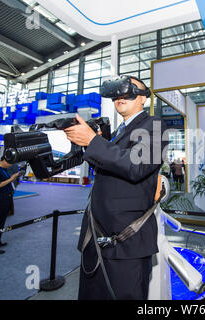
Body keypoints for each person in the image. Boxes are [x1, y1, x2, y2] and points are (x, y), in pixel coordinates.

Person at [64, 76, 167, 300]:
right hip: (96, 235)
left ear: (143, 99)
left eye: (129, 91)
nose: (120, 97)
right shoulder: (118, 132)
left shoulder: (155, 126)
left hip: (126, 240)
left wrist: (93, 142)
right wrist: (89, 143)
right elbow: (110, 171)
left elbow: (135, 166)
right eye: (116, 93)